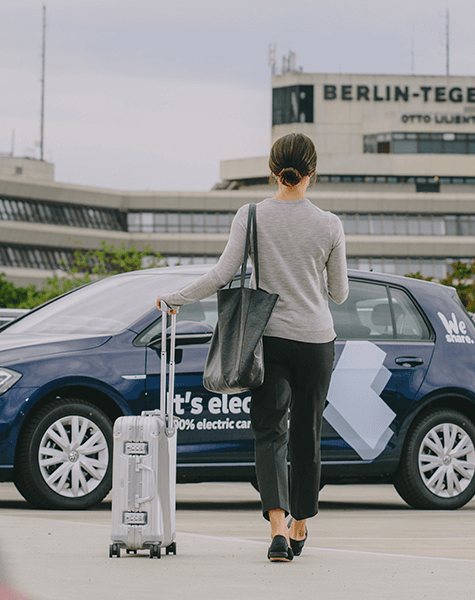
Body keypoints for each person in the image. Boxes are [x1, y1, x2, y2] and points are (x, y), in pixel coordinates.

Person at [156, 132, 348, 562]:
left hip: (269, 339)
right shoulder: (330, 224)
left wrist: (175, 298)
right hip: (316, 341)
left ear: (272, 172)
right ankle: (302, 523)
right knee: (306, 434)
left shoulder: (251, 215)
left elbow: (222, 274)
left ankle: (278, 528)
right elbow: (339, 294)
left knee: (268, 432)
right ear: (312, 175)